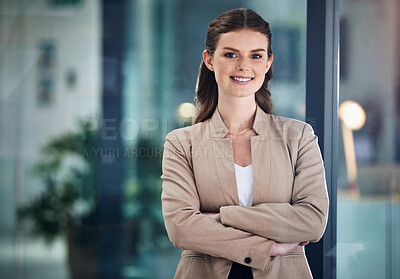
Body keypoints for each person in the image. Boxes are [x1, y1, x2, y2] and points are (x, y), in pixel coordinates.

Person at [161, 8, 329, 279]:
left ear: (267, 62)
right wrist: (268, 247)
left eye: (256, 56)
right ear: (209, 60)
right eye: (230, 54)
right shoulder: (182, 143)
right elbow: (181, 228)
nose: (244, 66)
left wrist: (225, 217)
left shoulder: (298, 137)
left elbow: (312, 221)